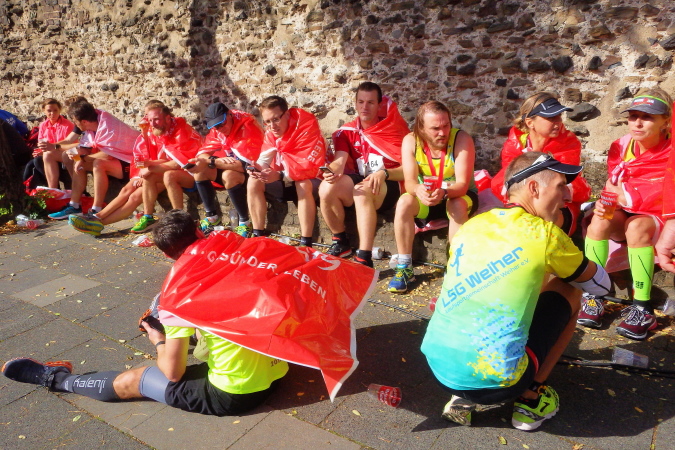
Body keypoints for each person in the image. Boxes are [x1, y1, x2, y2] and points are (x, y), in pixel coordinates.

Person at [2, 210, 288, 416]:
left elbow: (173, 373)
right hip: (279, 371)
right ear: (201, 232)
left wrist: (159, 340)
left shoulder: (179, 295)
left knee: (136, 380)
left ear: (165, 254)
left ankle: (56, 379)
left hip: (237, 394)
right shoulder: (246, 256)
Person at [421, 152, 611, 430]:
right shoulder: (544, 233)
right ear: (534, 188)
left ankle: (461, 398)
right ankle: (531, 400)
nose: (567, 196)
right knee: (570, 287)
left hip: (440, 370)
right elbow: (601, 286)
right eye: (560, 186)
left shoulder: (473, 224)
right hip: (501, 383)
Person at [579, 89, 673, 340]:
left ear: (666, 121)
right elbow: (613, 185)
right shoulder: (620, 146)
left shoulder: (672, 149)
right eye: (633, 116)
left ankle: (643, 308)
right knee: (599, 219)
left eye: (647, 117)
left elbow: (662, 196)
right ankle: (594, 295)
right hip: (628, 211)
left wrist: (626, 198)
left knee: (636, 227)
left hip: (660, 218)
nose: (637, 123)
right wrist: (606, 204)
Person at [387, 101, 478, 293]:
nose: (443, 133)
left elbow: (462, 185)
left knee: (456, 205)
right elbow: (410, 182)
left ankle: (454, 268)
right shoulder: (411, 141)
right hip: (428, 197)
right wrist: (417, 190)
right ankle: (404, 267)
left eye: (446, 126)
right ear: (421, 128)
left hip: (458, 195)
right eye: (435, 128)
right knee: (404, 202)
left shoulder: (461, 139)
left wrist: (444, 192)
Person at [319, 82, 409, 267]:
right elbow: (340, 160)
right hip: (363, 178)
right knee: (326, 188)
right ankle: (341, 241)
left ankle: (364, 256)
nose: (364, 107)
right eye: (361, 102)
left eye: (370, 102)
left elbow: (409, 169)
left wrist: (384, 173)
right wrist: (332, 170)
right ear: (355, 103)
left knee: (362, 189)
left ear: (379, 105)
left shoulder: (393, 129)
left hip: (390, 181)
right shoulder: (347, 132)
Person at [67, 101, 174, 236]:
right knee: (125, 190)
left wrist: (147, 171)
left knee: (134, 197)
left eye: (154, 119)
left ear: (166, 118)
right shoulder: (152, 132)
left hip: (162, 172)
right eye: (148, 117)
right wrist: (141, 172)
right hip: (149, 170)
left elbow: (171, 160)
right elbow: (143, 154)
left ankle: (98, 222)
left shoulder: (171, 132)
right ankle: (96, 217)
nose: (148, 122)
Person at [490, 92, 591, 235]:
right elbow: (506, 182)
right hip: (525, 202)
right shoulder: (514, 145)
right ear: (530, 122)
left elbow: (564, 181)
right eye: (551, 117)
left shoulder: (568, 142)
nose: (558, 122)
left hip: (559, 203)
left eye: (559, 116)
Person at [247, 96, 326, 247]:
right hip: (285, 180)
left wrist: (279, 175)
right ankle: (258, 235)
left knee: (302, 184)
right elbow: (264, 160)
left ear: (287, 115)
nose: (272, 126)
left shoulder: (306, 127)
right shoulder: (271, 132)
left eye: (276, 119)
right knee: (253, 181)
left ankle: (306, 242)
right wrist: (256, 169)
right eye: (267, 121)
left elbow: (309, 167)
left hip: (313, 180)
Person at [47, 100, 139, 219]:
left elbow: (107, 155)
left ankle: (96, 209)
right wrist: (78, 155)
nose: (75, 124)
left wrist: (83, 158)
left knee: (98, 163)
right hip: (117, 161)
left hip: (132, 163)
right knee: (76, 161)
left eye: (75, 121)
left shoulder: (108, 128)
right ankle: (74, 205)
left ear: (84, 122)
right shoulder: (92, 125)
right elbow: (85, 147)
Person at [187, 102, 264, 236]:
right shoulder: (218, 130)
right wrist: (210, 160)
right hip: (233, 167)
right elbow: (203, 154)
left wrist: (213, 161)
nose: (220, 129)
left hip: (254, 172)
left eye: (221, 124)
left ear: (229, 115)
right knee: (200, 171)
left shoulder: (247, 125)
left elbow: (245, 165)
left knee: (229, 175)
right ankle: (212, 218)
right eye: (216, 126)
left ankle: (244, 223)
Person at [128, 101, 203, 234]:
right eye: (150, 120)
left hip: (195, 172)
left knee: (168, 175)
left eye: (156, 119)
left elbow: (178, 163)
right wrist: (149, 164)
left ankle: (179, 218)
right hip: (178, 171)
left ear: (168, 118)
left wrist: (150, 167)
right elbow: (165, 159)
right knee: (149, 177)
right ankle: (148, 217)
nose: (152, 124)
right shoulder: (162, 131)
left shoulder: (181, 130)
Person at [30, 98, 75, 189]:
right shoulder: (43, 125)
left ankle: (53, 189)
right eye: (49, 111)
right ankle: (53, 188)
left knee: (47, 155)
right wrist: (41, 150)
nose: (52, 113)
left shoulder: (67, 125)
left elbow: (71, 146)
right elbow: (42, 143)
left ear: (60, 110)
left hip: (70, 152)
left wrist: (50, 148)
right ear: (44, 111)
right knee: (37, 160)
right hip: (52, 154)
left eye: (55, 110)